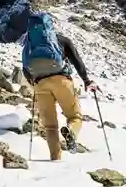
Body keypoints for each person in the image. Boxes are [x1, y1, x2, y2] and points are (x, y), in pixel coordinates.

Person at [20, 11, 98, 161]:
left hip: (40, 84)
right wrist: (86, 80)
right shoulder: (61, 40)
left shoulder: (29, 45)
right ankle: (71, 133)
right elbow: (77, 61)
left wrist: (34, 84)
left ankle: (55, 159)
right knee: (74, 116)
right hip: (62, 81)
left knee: (50, 126)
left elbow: (25, 68)